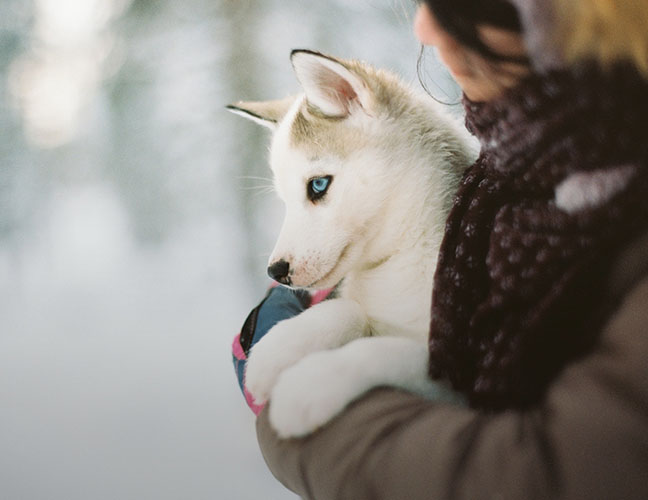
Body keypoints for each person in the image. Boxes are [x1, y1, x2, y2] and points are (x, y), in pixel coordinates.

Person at [232, 0, 648, 498]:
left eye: (462, 5)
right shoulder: (504, 184)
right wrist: (336, 322)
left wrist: (329, 395)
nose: (424, 25)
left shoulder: (573, 219)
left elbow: (538, 465)